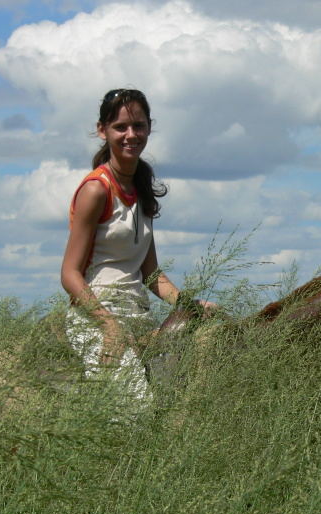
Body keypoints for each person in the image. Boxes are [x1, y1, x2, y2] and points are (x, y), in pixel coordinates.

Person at [60, 88, 214, 402]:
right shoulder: (96, 190)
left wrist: (190, 306)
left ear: (148, 128)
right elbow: (69, 274)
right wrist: (108, 326)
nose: (131, 135)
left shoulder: (142, 189)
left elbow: (152, 275)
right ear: (102, 131)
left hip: (137, 313)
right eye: (120, 127)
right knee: (136, 410)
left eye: (139, 126)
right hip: (95, 315)